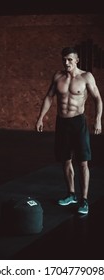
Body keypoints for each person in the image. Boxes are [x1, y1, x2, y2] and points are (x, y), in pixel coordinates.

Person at [36, 47, 103, 215]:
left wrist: (98, 120)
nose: (66, 63)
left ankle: (84, 199)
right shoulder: (58, 77)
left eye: (70, 60)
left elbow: (98, 99)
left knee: (82, 162)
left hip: (78, 122)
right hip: (62, 123)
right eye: (64, 59)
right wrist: (40, 118)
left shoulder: (86, 77)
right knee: (65, 160)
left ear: (77, 60)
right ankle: (71, 194)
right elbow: (49, 97)